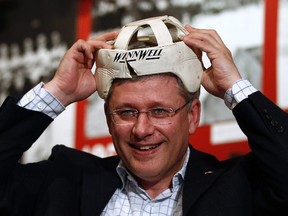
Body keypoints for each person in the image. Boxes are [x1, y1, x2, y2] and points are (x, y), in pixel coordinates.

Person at [0, 15, 288, 216]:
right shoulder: (63, 179)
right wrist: (57, 92)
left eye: (160, 111)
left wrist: (234, 88)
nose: (141, 129)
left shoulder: (240, 186)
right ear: (109, 118)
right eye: (126, 112)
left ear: (192, 116)